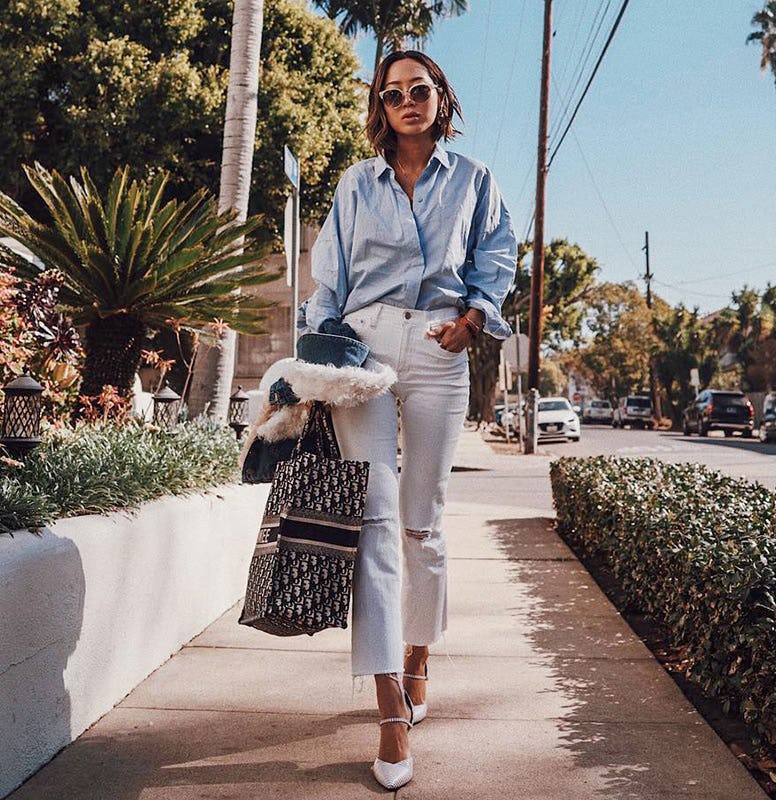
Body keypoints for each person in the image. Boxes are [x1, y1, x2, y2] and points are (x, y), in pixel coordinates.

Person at [304, 50, 517, 790]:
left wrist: (475, 319)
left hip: (437, 347)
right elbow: (326, 280)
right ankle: (390, 704)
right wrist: (314, 363)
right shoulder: (356, 183)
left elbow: (496, 257)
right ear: (381, 107)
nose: (407, 101)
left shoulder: (477, 179)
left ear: (439, 98)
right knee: (374, 520)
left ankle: (421, 648)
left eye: (418, 89)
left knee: (422, 520)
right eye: (393, 93)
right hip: (362, 350)